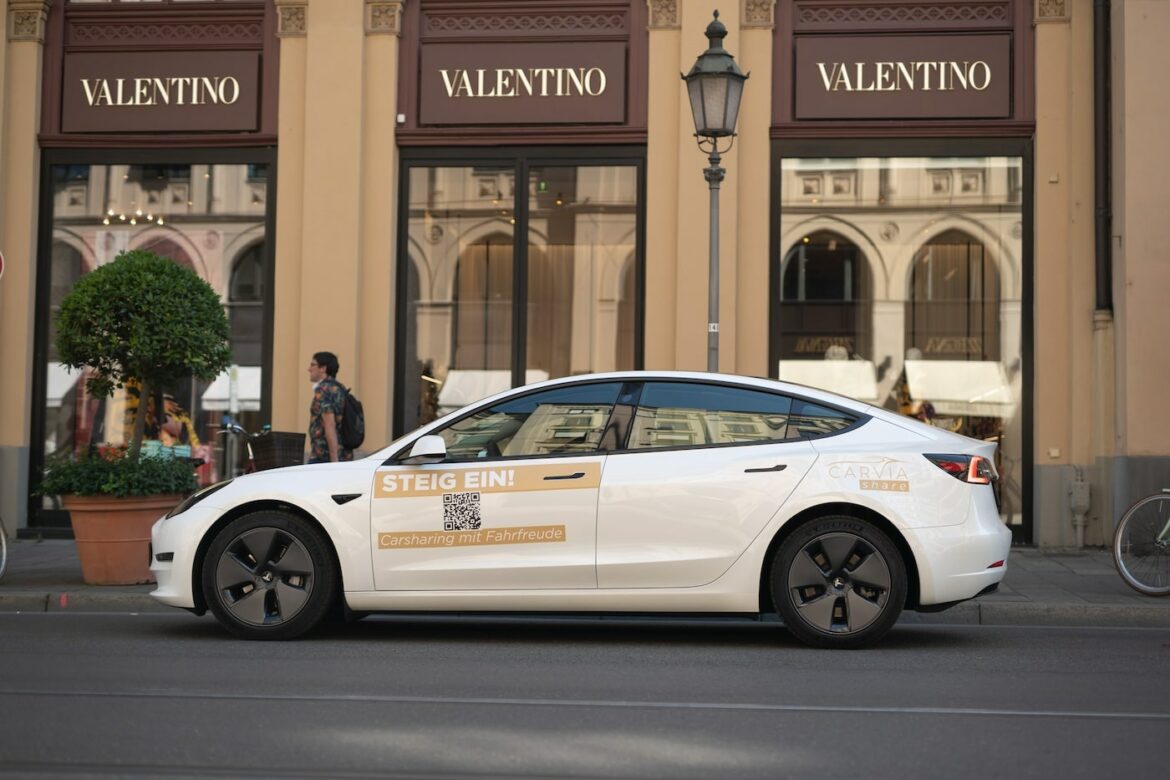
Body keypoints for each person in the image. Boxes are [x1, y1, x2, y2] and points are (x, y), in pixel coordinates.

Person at [307, 351, 352, 463]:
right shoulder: (339, 388)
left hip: (324, 455)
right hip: (343, 453)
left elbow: (330, 424)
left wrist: (334, 460)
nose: (309, 369)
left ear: (323, 368)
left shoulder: (323, 390)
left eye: (313, 365)